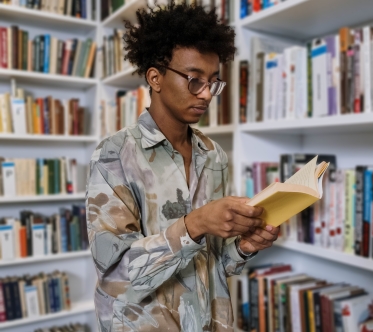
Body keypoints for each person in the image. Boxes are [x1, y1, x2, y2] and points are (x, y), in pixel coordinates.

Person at [86, 3, 279, 331]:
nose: (205, 94)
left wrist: (244, 247)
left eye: (213, 82)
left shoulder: (214, 155)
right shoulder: (114, 154)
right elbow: (117, 273)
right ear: (155, 77)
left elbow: (211, 262)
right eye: (193, 80)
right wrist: (195, 223)